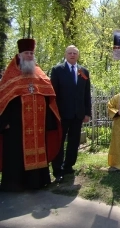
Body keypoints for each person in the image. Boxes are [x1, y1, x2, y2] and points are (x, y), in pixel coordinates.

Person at [0, 39, 62, 191]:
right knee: (16, 154)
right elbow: (3, 100)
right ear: (20, 55)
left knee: (39, 151)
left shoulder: (39, 74)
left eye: (31, 53)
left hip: (38, 125)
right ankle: (16, 184)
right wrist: (4, 121)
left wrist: (49, 121)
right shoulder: (10, 75)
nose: (29, 55)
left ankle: (38, 182)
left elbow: (49, 97)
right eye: (26, 53)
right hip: (16, 126)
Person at [51, 45, 91, 183]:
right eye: (70, 53)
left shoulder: (83, 71)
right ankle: (58, 170)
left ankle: (68, 166)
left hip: (78, 114)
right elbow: (53, 93)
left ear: (78, 55)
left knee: (74, 142)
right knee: (59, 142)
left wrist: (87, 113)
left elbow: (87, 94)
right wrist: (54, 113)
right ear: (65, 54)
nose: (72, 55)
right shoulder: (57, 70)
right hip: (62, 114)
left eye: (75, 53)